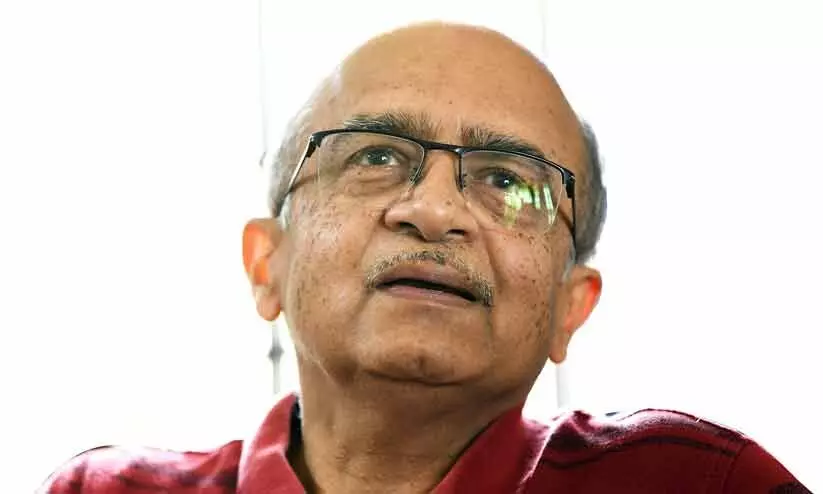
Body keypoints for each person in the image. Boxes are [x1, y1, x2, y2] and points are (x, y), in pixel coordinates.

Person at [40, 22, 809, 494]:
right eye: (374, 156)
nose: (434, 211)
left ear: (569, 307)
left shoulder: (695, 482)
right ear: (265, 262)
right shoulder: (104, 492)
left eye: (507, 181)